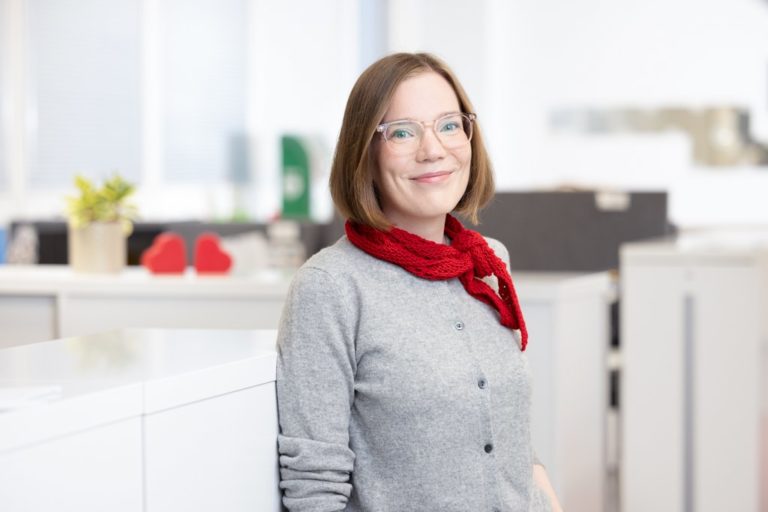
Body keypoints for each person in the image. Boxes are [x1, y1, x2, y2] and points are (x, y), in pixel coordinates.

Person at [276, 52, 563, 512]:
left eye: (449, 125)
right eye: (403, 133)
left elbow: (507, 435)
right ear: (364, 154)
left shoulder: (487, 263)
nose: (433, 149)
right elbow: (315, 489)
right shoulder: (332, 287)